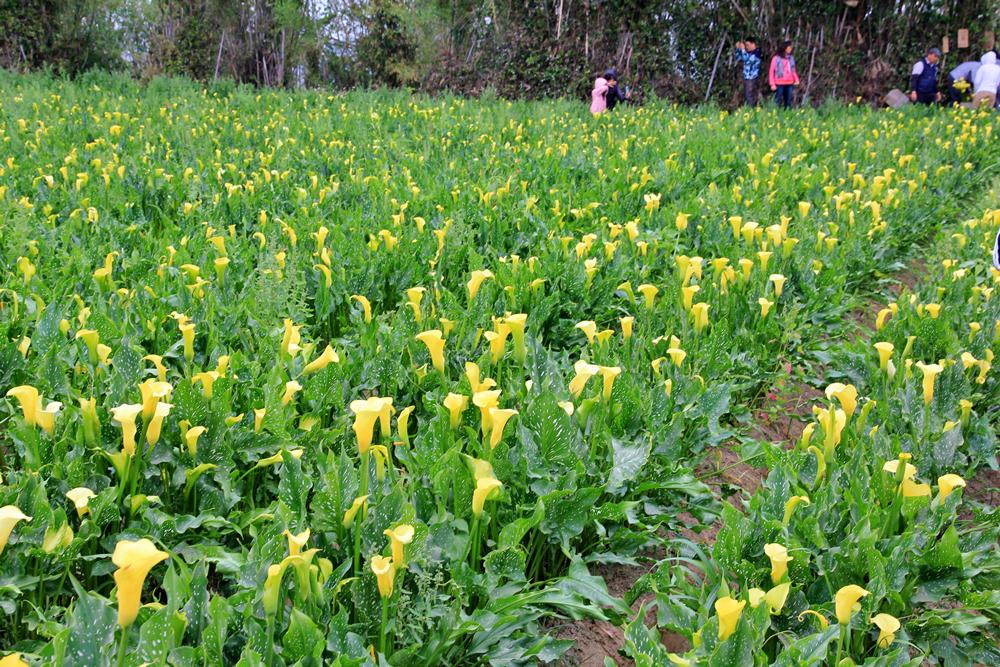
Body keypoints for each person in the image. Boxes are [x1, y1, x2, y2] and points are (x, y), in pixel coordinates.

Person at [769, 41, 799, 108]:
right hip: (779, 82)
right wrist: (772, 84)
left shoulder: (791, 58)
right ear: (785, 48)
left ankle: (787, 115)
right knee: (777, 101)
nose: (790, 49)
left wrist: (796, 79)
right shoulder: (776, 58)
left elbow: (793, 70)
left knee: (788, 101)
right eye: (789, 47)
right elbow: (771, 71)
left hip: (789, 82)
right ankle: (775, 114)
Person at [734, 38, 762, 106]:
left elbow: (746, 59)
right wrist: (738, 49)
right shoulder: (748, 53)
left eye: (747, 45)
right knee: (747, 94)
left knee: (749, 95)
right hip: (746, 77)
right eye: (745, 45)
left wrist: (743, 49)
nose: (746, 47)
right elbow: (738, 58)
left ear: (753, 44)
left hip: (752, 78)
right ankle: (751, 108)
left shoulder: (757, 53)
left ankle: (751, 109)